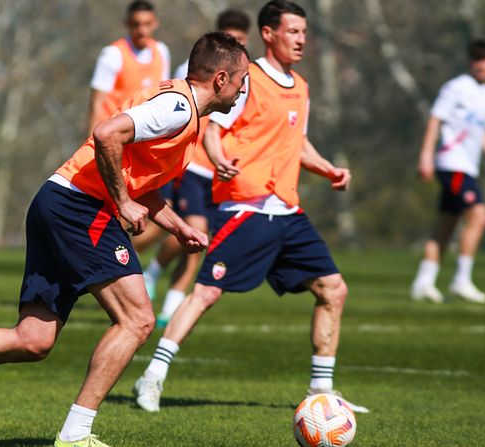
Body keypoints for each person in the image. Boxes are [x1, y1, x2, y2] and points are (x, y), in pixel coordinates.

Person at [0, 32, 250, 447]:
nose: (243, 89)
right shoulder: (177, 108)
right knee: (137, 319)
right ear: (220, 78)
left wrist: (177, 226)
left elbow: (137, 171)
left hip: (60, 201)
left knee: (33, 340)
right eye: (242, 79)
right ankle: (76, 434)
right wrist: (122, 202)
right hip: (79, 207)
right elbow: (107, 134)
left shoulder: (181, 108)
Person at [133, 0, 369, 415]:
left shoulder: (301, 86)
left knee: (334, 289)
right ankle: (152, 376)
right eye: (293, 31)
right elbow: (212, 127)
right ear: (268, 34)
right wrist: (217, 156)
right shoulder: (248, 80)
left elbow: (298, 144)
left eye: (303, 32)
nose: (301, 40)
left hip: (288, 210)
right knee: (205, 292)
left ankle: (321, 392)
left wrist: (327, 169)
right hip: (246, 207)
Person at [142, 9, 252, 327]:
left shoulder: (245, 79)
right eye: (233, 39)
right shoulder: (192, 74)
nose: (238, 44)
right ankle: (148, 272)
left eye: (243, 40)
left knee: (199, 242)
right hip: (194, 167)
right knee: (191, 231)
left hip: (222, 174)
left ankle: (170, 309)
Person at [411, 39, 485, 304]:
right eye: (477, 59)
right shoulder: (456, 88)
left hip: (469, 166)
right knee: (479, 215)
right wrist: (426, 156)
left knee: (447, 223)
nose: (481, 64)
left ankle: (423, 282)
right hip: (451, 163)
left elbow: (484, 132)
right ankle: (461, 279)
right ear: (470, 62)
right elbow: (435, 121)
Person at [87, 0, 170, 135]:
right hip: (113, 135)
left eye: (147, 24)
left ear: (155, 23)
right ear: (127, 24)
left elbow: (162, 95)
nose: (142, 30)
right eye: (136, 24)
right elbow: (96, 104)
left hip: (144, 135)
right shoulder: (113, 54)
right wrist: (91, 141)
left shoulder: (162, 51)